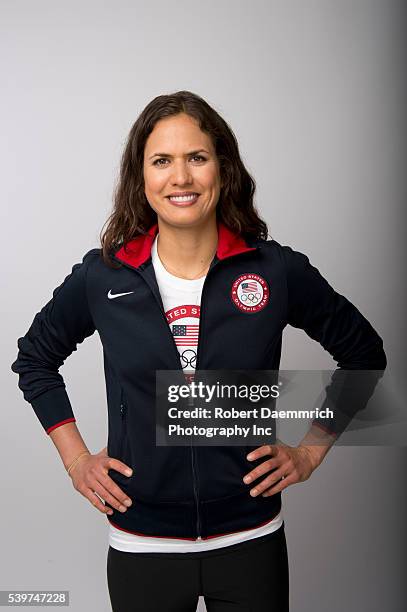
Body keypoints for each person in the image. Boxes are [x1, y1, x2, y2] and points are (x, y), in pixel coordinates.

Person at [11, 90, 387, 612]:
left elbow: (365, 353)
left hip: (251, 539)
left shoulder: (274, 271)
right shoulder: (104, 277)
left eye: (197, 158)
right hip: (142, 543)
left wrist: (309, 452)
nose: (180, 178)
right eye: (162, 161)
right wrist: (76, 460)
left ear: (223, 169)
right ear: (140, 177)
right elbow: (34, 360)